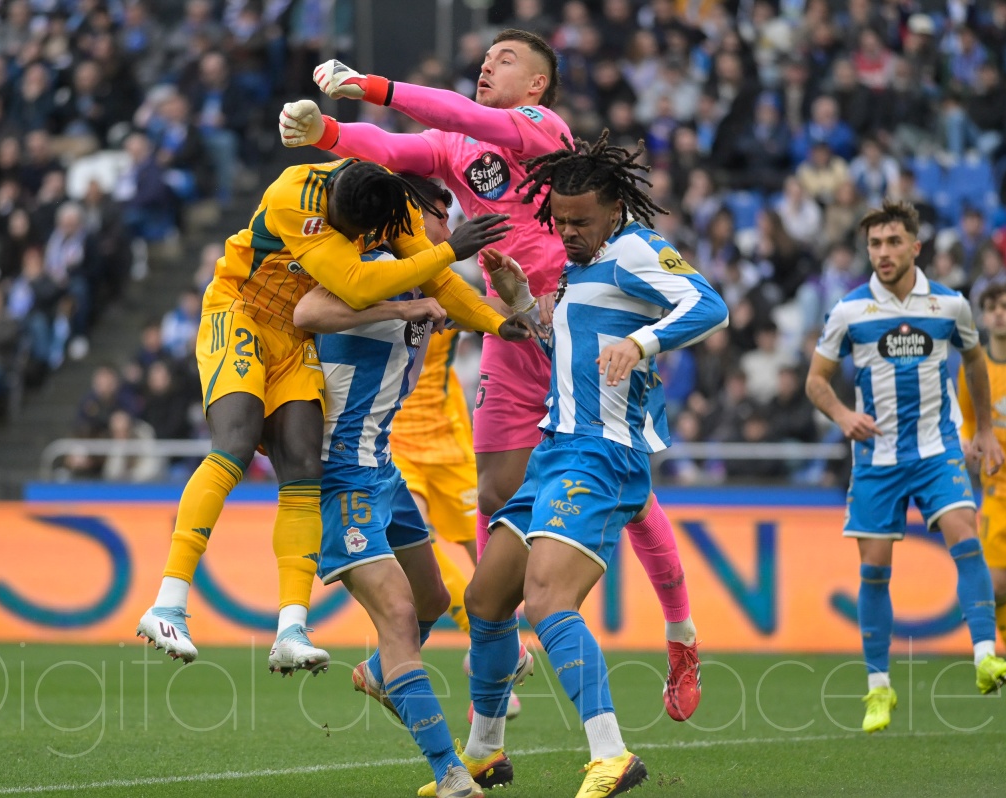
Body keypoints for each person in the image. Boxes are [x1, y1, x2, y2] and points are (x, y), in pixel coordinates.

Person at [281, 28, 704, 719]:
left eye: (505, 59)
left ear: (537, 85)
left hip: (580, 322)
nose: (487, 66)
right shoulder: (456, 147)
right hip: (511, 324)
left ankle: (681, 634)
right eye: (484, 59)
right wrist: (327, 133)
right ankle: (494, 645)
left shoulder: (540, 127)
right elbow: (392, 150)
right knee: (495, 489)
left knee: (628, 487)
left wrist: (374, 87)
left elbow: (461, 113)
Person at [135, 156, 514, 673]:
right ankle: (168, 603)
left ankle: (290, 629)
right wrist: (447, 251)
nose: (355, 238)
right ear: (332, 204)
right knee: (235, 446)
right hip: (240, 311)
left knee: (304, 470)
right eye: (348, 231)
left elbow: (440, 284)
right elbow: (355, 285)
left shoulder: (389, 205)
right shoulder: (294, 194)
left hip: (295, 341)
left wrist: (497, 322)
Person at [439, 133, 728, 798]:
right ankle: (483, 753)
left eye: (580, 221)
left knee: (547, 599)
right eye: (559, 220)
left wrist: (643, 341)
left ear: (614, 212)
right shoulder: (579, 269)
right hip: (556, 451)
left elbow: (711, 305)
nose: (567, 233)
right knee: (486, 600)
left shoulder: (636, 251)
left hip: (604, 456)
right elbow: (566, 355)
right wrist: (520, 301)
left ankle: (611, 754)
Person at [291, 175, 535, 798]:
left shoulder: (430, 277)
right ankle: (451, 773)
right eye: (436, 214)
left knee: (430, 600)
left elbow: (468, 306)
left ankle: (381, 674)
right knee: (400, 616)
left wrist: (512, 316)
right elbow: (307, 312)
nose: (443, 226)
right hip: (340, 473)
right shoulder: (368, 268)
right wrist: (401, 309)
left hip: (383, 467)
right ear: (405, 214)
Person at [806, 200, 1006, 734]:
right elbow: (816, 380)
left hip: (935, 448)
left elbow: (975, 361)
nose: (883, 252)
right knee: (875, 569)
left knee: (965, 533)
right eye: (875, 244)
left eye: (893, 242)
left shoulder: (950, 305)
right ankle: (879, 688)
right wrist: (843, 415)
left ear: (915, 247)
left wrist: (984, 430)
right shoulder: (850, 311)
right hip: (877, 458)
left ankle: (985, 655)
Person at [958, 282, 1006, 656]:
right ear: (982, 316)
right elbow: (966, 418)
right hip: (998, 493)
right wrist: (967, 441)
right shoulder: (975, 368)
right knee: (995, 585)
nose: (999, 313)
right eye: (992, 307)